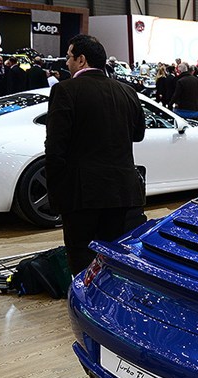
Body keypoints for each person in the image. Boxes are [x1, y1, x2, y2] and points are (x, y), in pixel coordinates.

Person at [44, 34, 146, 275]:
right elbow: (138, 134)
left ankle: (85, 298)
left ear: (81, 60)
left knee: (82, 258)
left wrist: (55, 193)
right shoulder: (127, 91)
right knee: (114, 258)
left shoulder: (65, 90)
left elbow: (55, 147)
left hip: (82, 195)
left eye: (69, 57)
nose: (66, 63)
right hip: (122, 192)